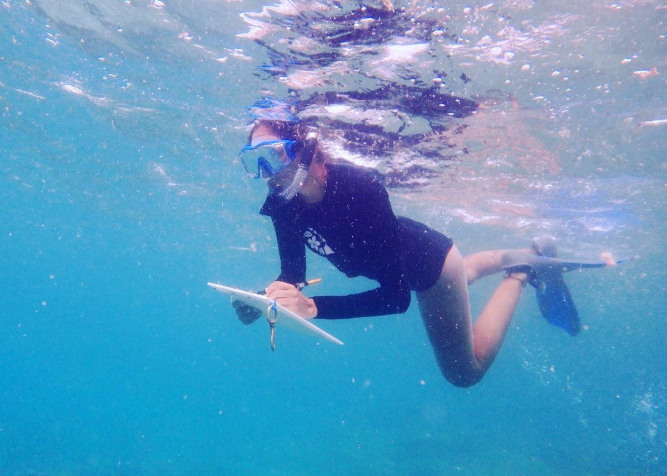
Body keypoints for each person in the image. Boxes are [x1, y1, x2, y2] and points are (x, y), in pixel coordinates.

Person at [237, 118, 588, 387]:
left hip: (431, 269)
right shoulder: (283, 204)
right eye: (256, 162)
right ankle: (522, 252)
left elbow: (396, 298)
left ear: (304, 150)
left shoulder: (360, 187)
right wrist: (264, 299)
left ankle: (522, 270)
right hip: (408, 257)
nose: (266, 174)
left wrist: (314, 308)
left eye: (273, 156)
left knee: (465, 373)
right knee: (461, 277)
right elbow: (293, 275)